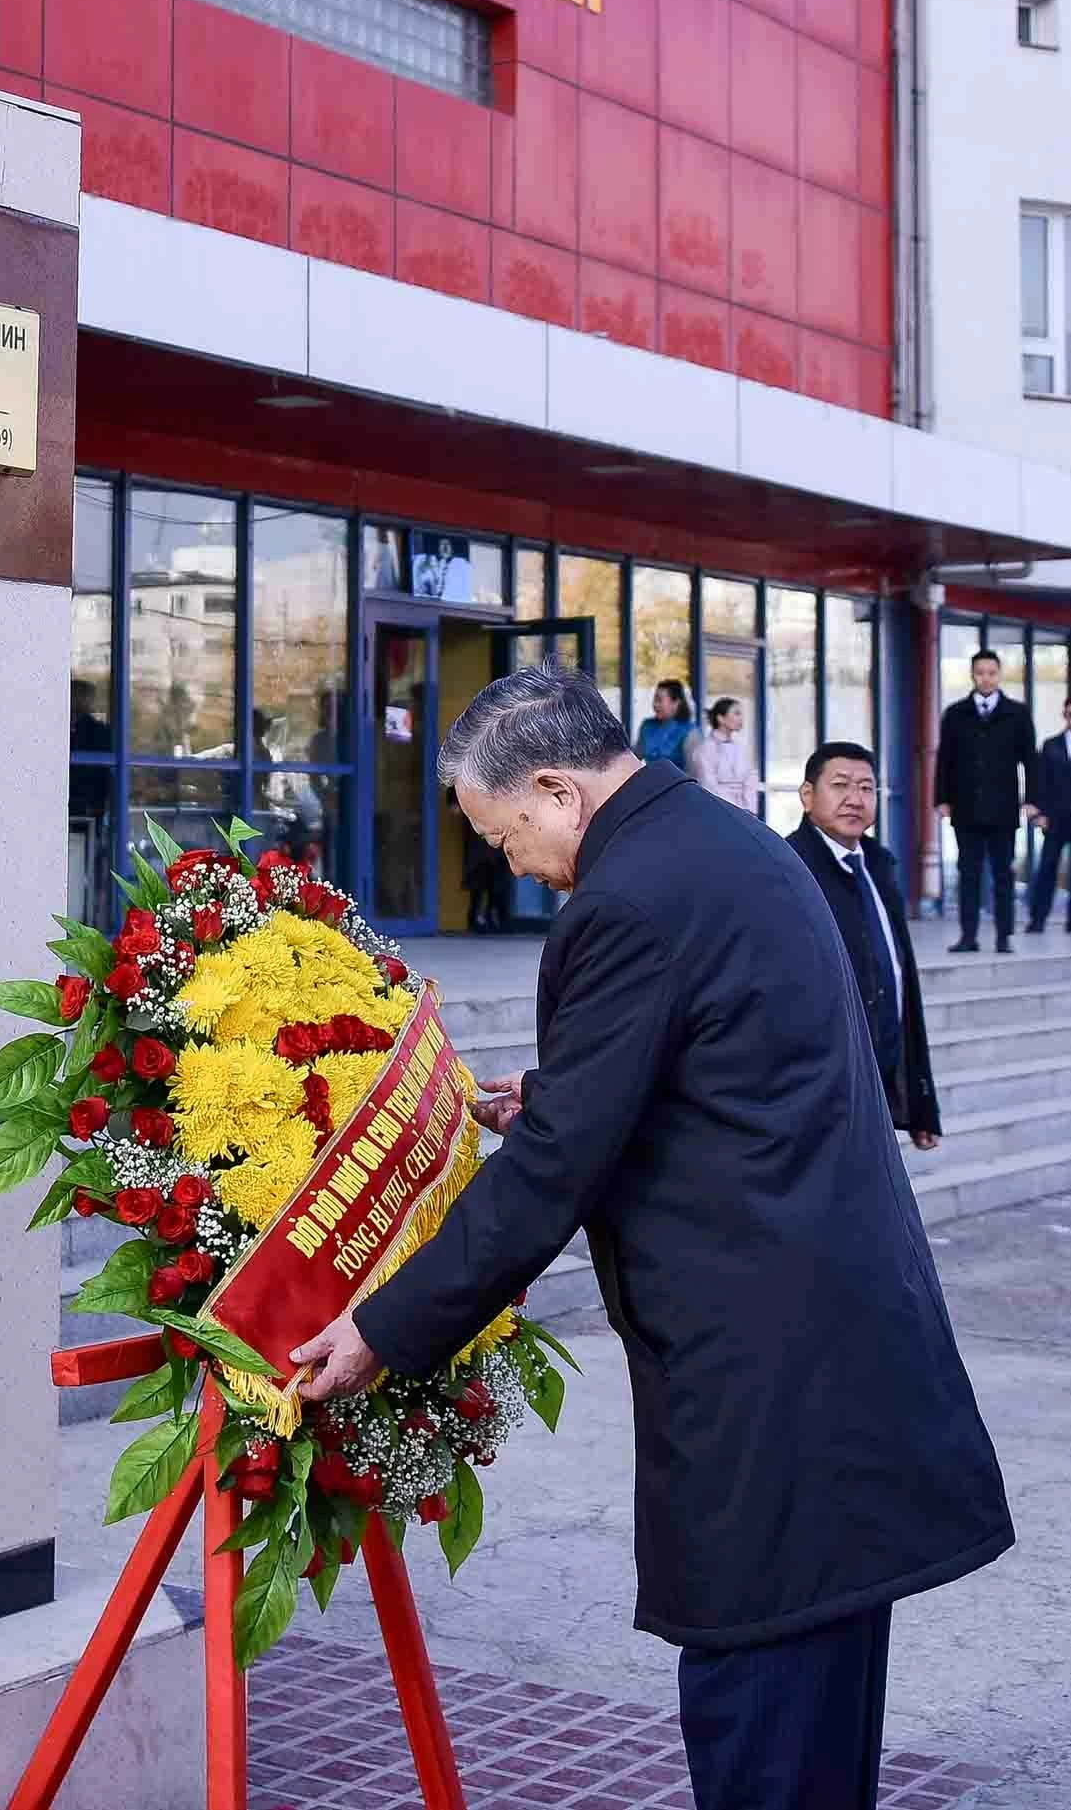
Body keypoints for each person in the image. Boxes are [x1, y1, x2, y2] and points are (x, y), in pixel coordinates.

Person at [290, 666, 1011, 1810]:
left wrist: (381, 1328)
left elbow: (550, 1176)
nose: (512, 864)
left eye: (505, 834)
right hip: (837, 1355)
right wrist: (563, 1089)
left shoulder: (626, 900)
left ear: (556, 790)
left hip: (769, 1383)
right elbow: (722, 1058)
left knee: (764, 1723)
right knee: (819, 1719)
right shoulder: (721, 843)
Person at [786, 742, 940, 1149]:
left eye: (867, 788)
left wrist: (920, 1100)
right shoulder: (787, 867)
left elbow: (903, 983)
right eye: (840, 785)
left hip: (879, 1075)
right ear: (807, 795)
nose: (855, 799)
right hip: (821, 1089)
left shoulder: (879, 865)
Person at [933, 649, 1037, 954]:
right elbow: (944, 759)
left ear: (999, 674)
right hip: (966, 808)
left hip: (1004, 808)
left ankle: (1004, 936)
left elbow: (1031, 761)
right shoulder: (955, 713)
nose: (986, 679)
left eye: (991, 673)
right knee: (969, 874)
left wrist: (1031, 799)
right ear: (972, 675)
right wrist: (941, 799)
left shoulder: (1017, 713)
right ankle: (968, 936)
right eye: (980, 673)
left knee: (1004, 874)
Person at [1025, 697, 1071, 932]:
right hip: (1056, 817)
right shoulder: (1051, 745)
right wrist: (1040, 814)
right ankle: (1037, 919)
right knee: (1047, 868)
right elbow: (1041, 782)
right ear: (1065, 714)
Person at [686, 695, 758, 813]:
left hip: (744, 811)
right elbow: (708, 784)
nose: (741, 718)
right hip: (718, 810)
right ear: (721, 718)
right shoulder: (705, 749)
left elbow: (750, 778)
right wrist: (735, 808)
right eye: (736, 713)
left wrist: (748, 808)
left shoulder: (741, 747)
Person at [634, 679, 696, 769]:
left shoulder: (690, 732)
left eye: (659, 700)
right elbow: (635, 758)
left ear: (676, 703)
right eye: (655, 699)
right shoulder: (647, 726)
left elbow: (695, 771)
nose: (655, 704)